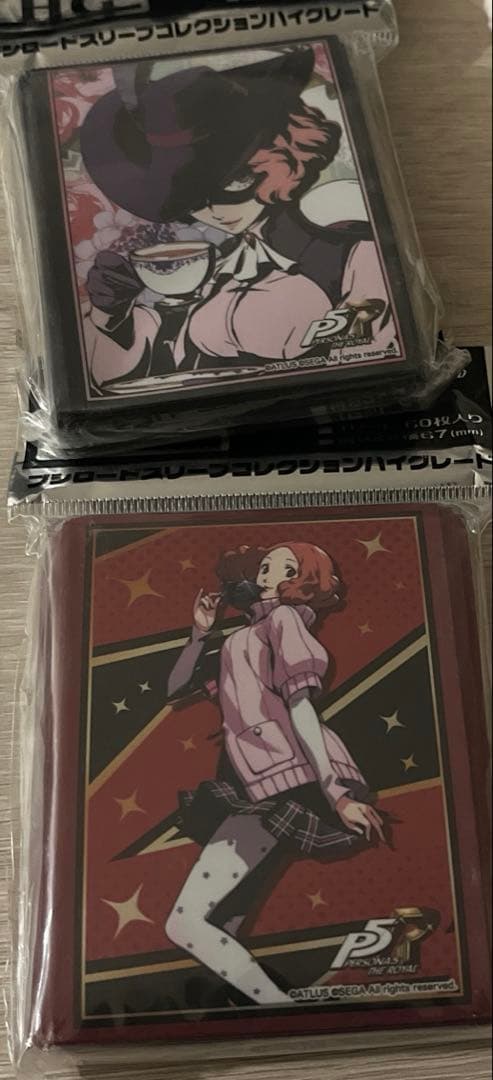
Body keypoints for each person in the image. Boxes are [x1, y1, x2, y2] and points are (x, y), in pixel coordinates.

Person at [80, 48, 397, 391]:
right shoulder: (214, 271)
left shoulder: (357, 258)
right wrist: (111, 314)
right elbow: (130, 374)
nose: (214, 211)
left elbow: (373, 357)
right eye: (190, 200)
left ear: (288, 157)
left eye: (236, 181)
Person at [164, 541, 386, 1006]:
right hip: (254, 781)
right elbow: (177, 687)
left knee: (185, 922)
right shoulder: (242, 638)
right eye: (265, 566)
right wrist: (200, 632)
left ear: (302, 580)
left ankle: (278, 1008)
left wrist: (335, 792)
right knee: (222, 922)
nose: (266, 573)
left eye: (282, 568)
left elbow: (301, 705)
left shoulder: (283, 621)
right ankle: (260, 1009)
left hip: (285, 781)